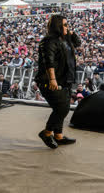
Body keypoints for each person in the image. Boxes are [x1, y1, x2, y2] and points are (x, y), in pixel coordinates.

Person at [35, 15, 80, 149]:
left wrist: (72, 33)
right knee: (62, 108)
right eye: (65, 25)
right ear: (57, 26)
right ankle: (47, 132)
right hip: (51, 81)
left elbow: (77, 44)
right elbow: (48, 61)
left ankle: (58, 135)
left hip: (65, 79)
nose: (67, 27)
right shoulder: (48, 41)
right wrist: (52, 79)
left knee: (63, 107)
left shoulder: (64, 39)